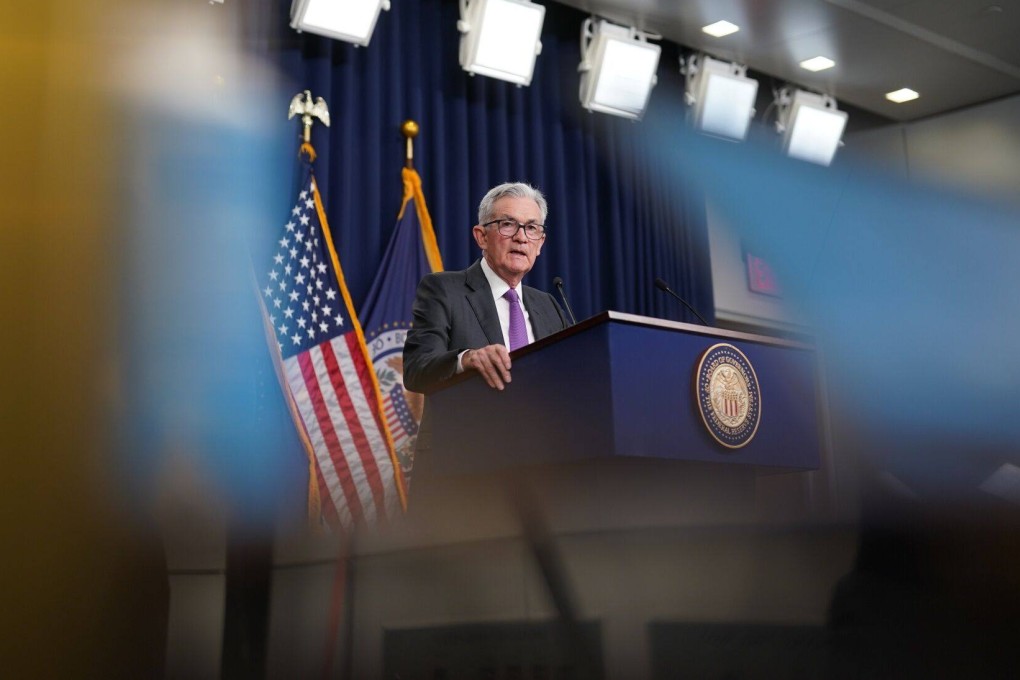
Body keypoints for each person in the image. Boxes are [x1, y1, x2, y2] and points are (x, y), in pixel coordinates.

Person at [403, 182, 569, 394]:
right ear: (482, 236)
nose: (521, 237)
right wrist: (467, 359)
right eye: (508, 224)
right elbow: (416, 369)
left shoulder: (549, 307)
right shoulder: (444, 290)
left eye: (531, 228)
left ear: (540, 243)